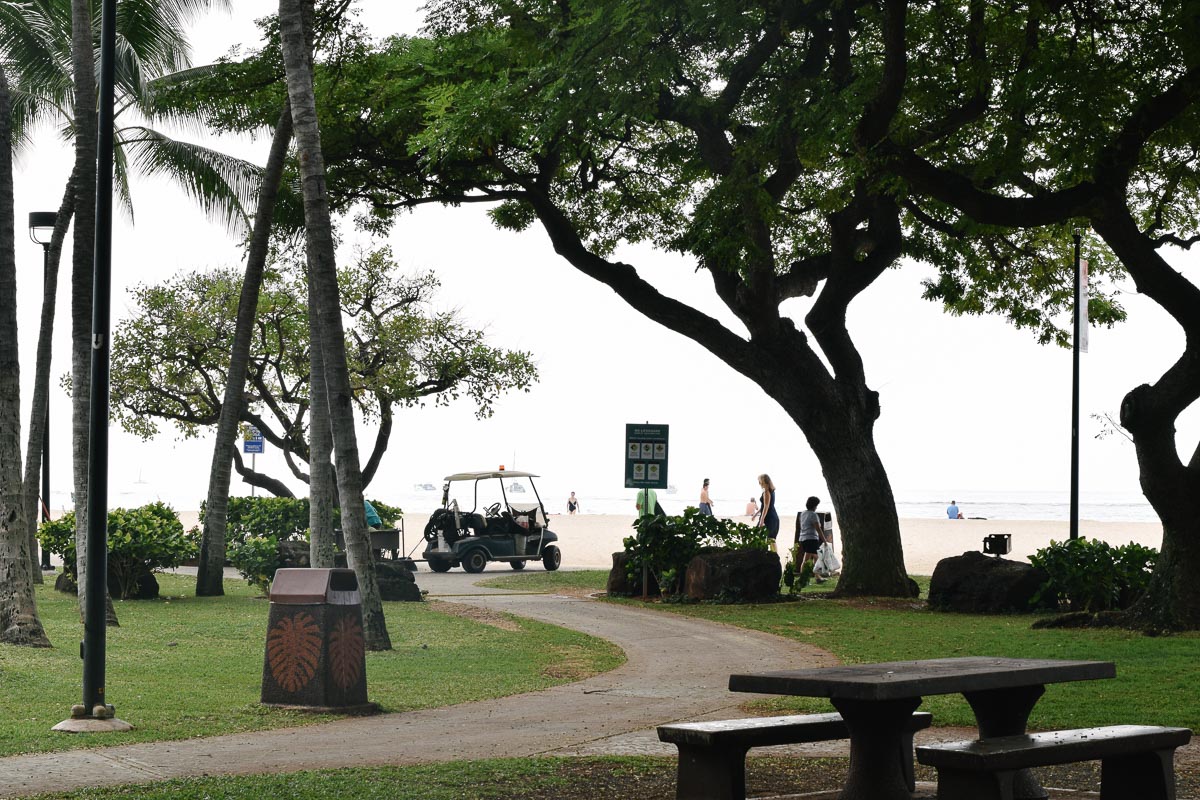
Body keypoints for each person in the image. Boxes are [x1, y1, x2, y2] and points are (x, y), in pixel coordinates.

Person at [796, 496, 831, 581]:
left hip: (803, 538)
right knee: (812, 558)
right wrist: (824, 540)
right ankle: (804, 578)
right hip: (811, 538)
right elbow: (818, 529)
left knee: (814, 557)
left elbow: (803, 525)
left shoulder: (803, 513)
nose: (817, 507)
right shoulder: (813, 515)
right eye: (816, 505)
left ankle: (816, 576)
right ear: (814, 505)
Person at [756, 473, 779, 552]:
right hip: (771, 516)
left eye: (759, 481)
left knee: (770, 539)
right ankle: (772, 556)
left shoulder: (766, 492)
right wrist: (755, 515)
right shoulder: (770, 490)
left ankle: (773, 556)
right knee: (770, 539)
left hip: (769, 518)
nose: (758, 483)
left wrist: (761, 520)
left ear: (763, 482)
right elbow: (764, 505)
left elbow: (766, 506)